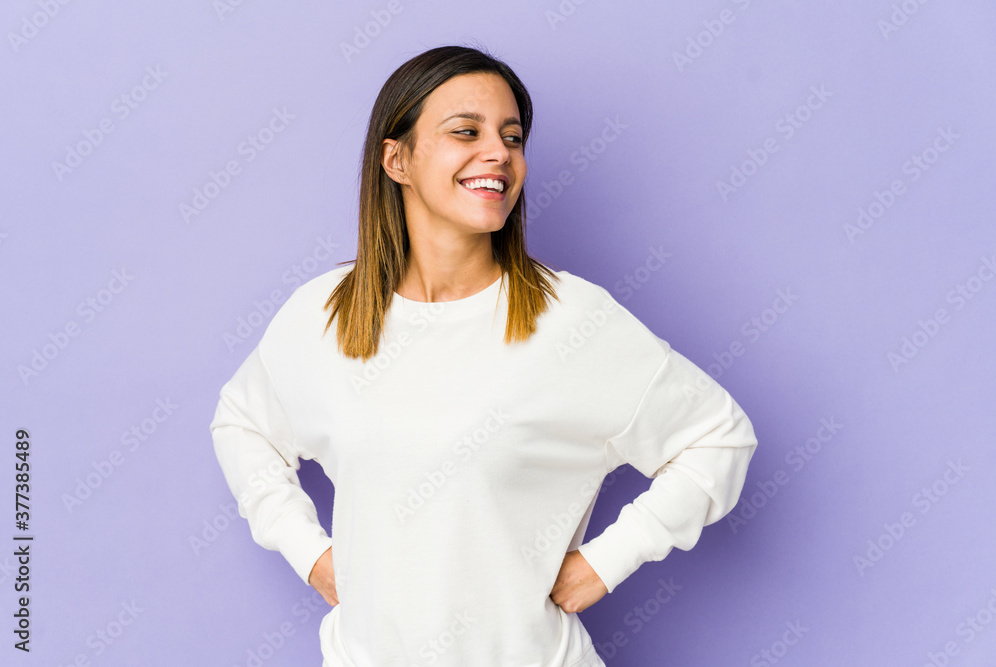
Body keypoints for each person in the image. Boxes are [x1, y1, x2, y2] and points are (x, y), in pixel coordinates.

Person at [210, 44, 758, 667]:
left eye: (513, 137)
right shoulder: (325, 313)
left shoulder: (571, 321)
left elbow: (718, 438)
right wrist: (309, 553)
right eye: (466, 131)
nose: (499, 153)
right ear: (397, 159)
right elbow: (243, 424)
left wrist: (607, 561)